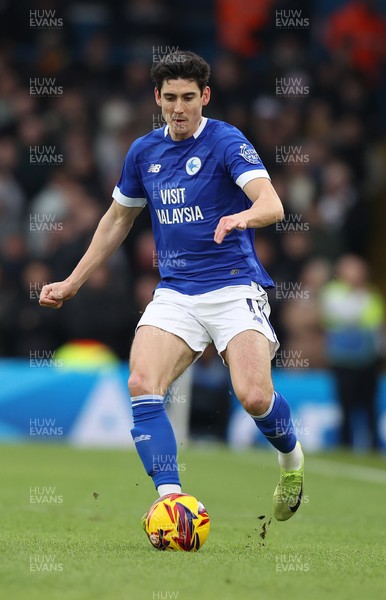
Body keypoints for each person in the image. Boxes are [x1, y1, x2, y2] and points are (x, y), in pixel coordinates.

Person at [39, 50, 304, 522]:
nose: (178, 109)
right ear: (156, 98)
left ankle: (291, 460)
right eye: (169, 99)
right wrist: (72, 281)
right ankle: (170, 499)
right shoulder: (144, 151)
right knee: (142, 382)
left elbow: (272, 204)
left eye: (188, 98)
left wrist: (242, 215)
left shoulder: (226, 142)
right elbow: (118, 218)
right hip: (177, 290)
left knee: (254, 396)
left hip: (232, 286)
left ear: (204, 96)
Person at [319, 254, 384, 450]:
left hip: (367, 358)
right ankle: (345, 446)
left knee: (370, 406)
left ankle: (373, 447)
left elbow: (375, 322)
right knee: (345, 406)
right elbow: (346, 316)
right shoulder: (332, 292)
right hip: (342, 359)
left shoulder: (372, 294)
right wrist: (358, 297)